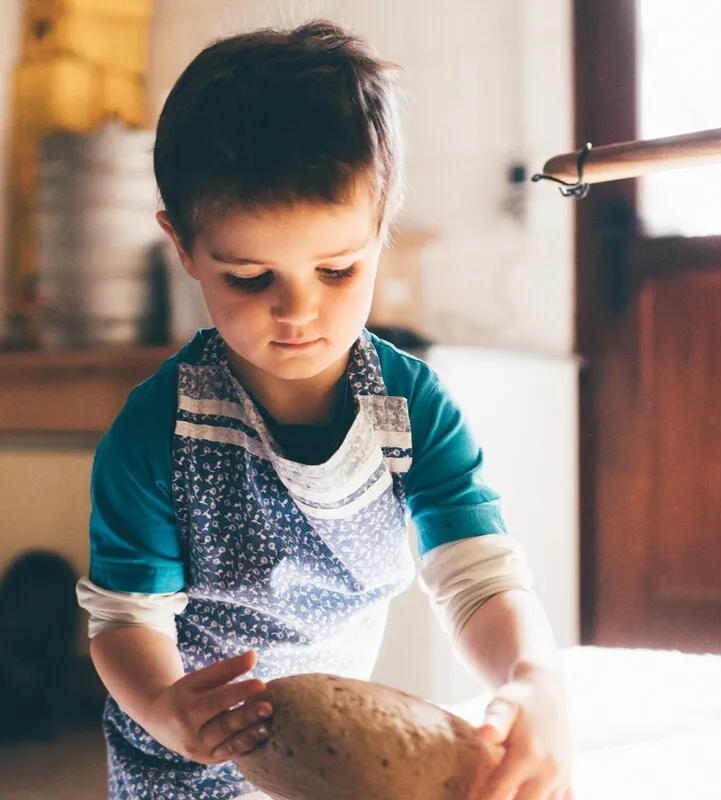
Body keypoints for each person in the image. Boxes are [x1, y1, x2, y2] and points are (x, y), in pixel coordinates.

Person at [76, 19, 573, 800]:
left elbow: (477, 578)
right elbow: (124, 619)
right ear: (183, 247)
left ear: (382, 227)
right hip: (182, 762)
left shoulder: (410, 409)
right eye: (248, 278)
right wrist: (169, 708)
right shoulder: (155, 432)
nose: (297, 311)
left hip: (326, 760)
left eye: (338, 269)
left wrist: (534, 675)